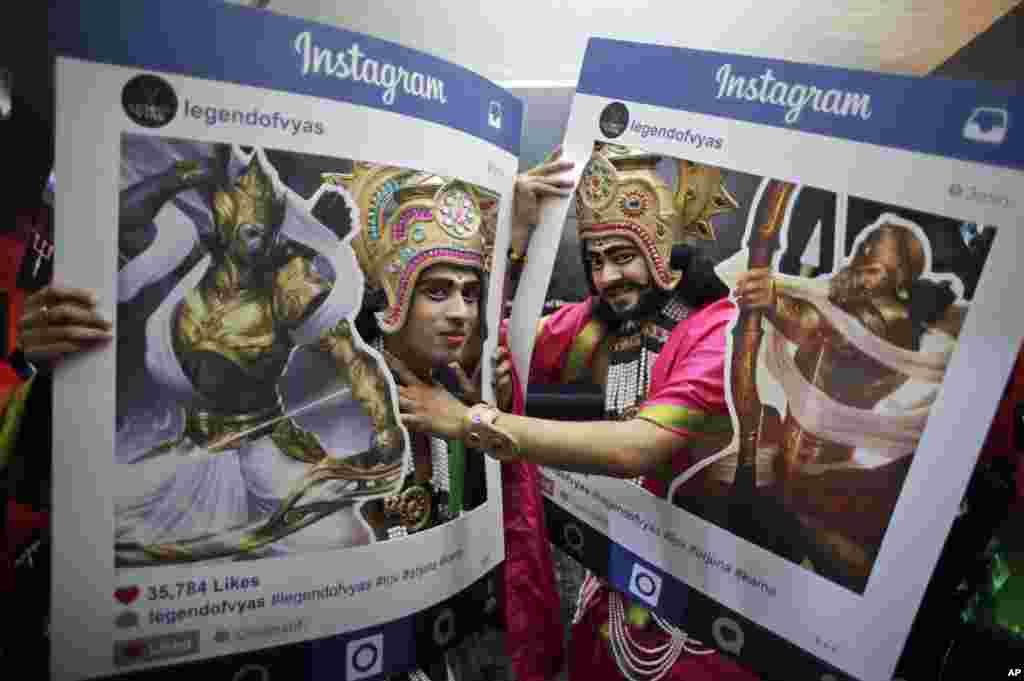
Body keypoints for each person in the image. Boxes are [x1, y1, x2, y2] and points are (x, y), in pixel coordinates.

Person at [393, 142, 761, 681]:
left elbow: (641, 447)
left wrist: (470, 421)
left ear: (663, 248)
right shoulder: (596, 321)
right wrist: (513, 241)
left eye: (623, 255)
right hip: (610, 597)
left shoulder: (718, 332)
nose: (606, 276)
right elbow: (478, 342)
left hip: (700, 616)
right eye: (595, 259)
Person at [337, 164, 563, 681]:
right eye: (436, 292)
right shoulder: (338, 396)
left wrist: (487, 418)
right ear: (394, 297)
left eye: (469, 292)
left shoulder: (460, 398)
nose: (461, 312)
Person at [727, 215, 963, 591]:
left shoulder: (891, 320)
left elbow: (821, 330)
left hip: (828, 479)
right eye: (864, 247)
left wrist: (773, 301)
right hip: (789, 460)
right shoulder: (839, 299)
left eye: (875, 258)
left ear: (902, 275)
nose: (865, 250)